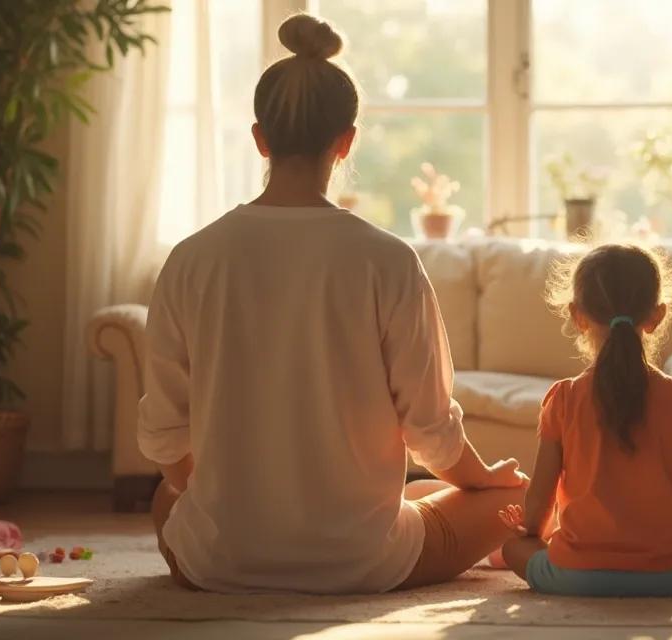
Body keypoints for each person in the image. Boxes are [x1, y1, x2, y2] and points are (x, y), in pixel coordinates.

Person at [139, 13, 524, 594]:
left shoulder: (191, 259)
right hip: (362, 563)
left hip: (216, 561)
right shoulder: (388, 260)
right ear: (346, 142)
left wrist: (222, 507)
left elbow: (167, 438)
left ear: (259, 139)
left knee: (165, 498)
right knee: (511, 498)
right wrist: (485, 478)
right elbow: (432, 433)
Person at [497, 244, 672, 597]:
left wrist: (529, 528)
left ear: (577, 316)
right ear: (656, 316)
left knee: (513, 548)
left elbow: (540, 502)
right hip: (670, 577)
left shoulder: (563, 399)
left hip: (576, 577)